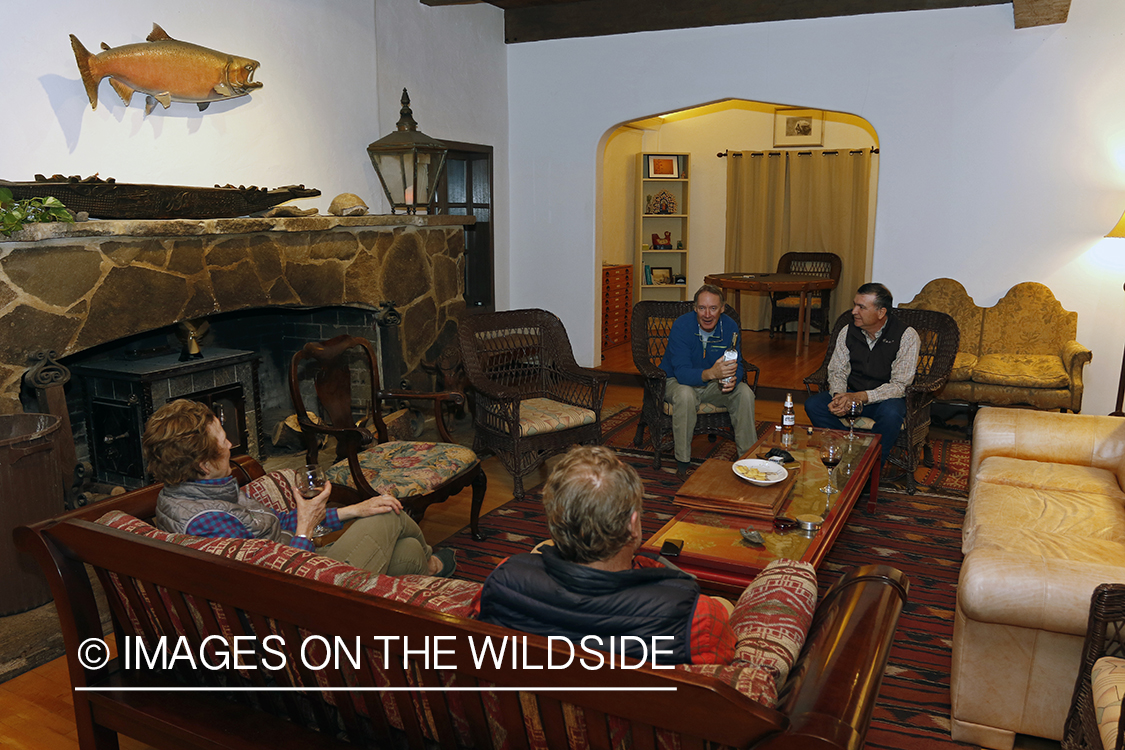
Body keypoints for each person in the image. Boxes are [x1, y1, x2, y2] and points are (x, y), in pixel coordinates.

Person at [473, 445, 735, 666]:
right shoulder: (696, 616)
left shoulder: (505, 579)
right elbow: (725, 661)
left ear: (554, 521)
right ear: (632, 524)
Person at [141, 399, 456, 577]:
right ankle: (433, 565)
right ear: (203, 465)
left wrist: (353, 510)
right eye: (221, 440)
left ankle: (423, 568)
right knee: (390, 517)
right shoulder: (207, 521)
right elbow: (277, 582)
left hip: (299, 559)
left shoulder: (196, 491)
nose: (229, 443)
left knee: (404, 549)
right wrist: (306, 527)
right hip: (304, 590)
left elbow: (272, 531)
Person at [803, 282, 919, 465]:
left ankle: (871, 465)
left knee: (891, 414)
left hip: (885, 399)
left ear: (881, 312)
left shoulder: (906, 336)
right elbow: (837, 370)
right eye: (854, 305)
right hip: (852, 393)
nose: (854, 311)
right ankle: (847, 452)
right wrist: (839, 397)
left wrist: (860, 397)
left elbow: (900, 385)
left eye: (861, 307)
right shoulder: (848, 331)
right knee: (814, 405)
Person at [659, 284, 756, 481]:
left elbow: (737, 363)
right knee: (686, 395)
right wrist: (712, 373)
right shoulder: (682, 326)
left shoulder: (730, 327)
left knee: (744, 392)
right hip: (676, 382)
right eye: (702, 308)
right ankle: (683, 463)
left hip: (712, 383)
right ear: (695, 308)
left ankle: (748, 459)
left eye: (713, 308)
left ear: (722, 308)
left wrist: (733, 379)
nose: (707, 314)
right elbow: (682, 373)